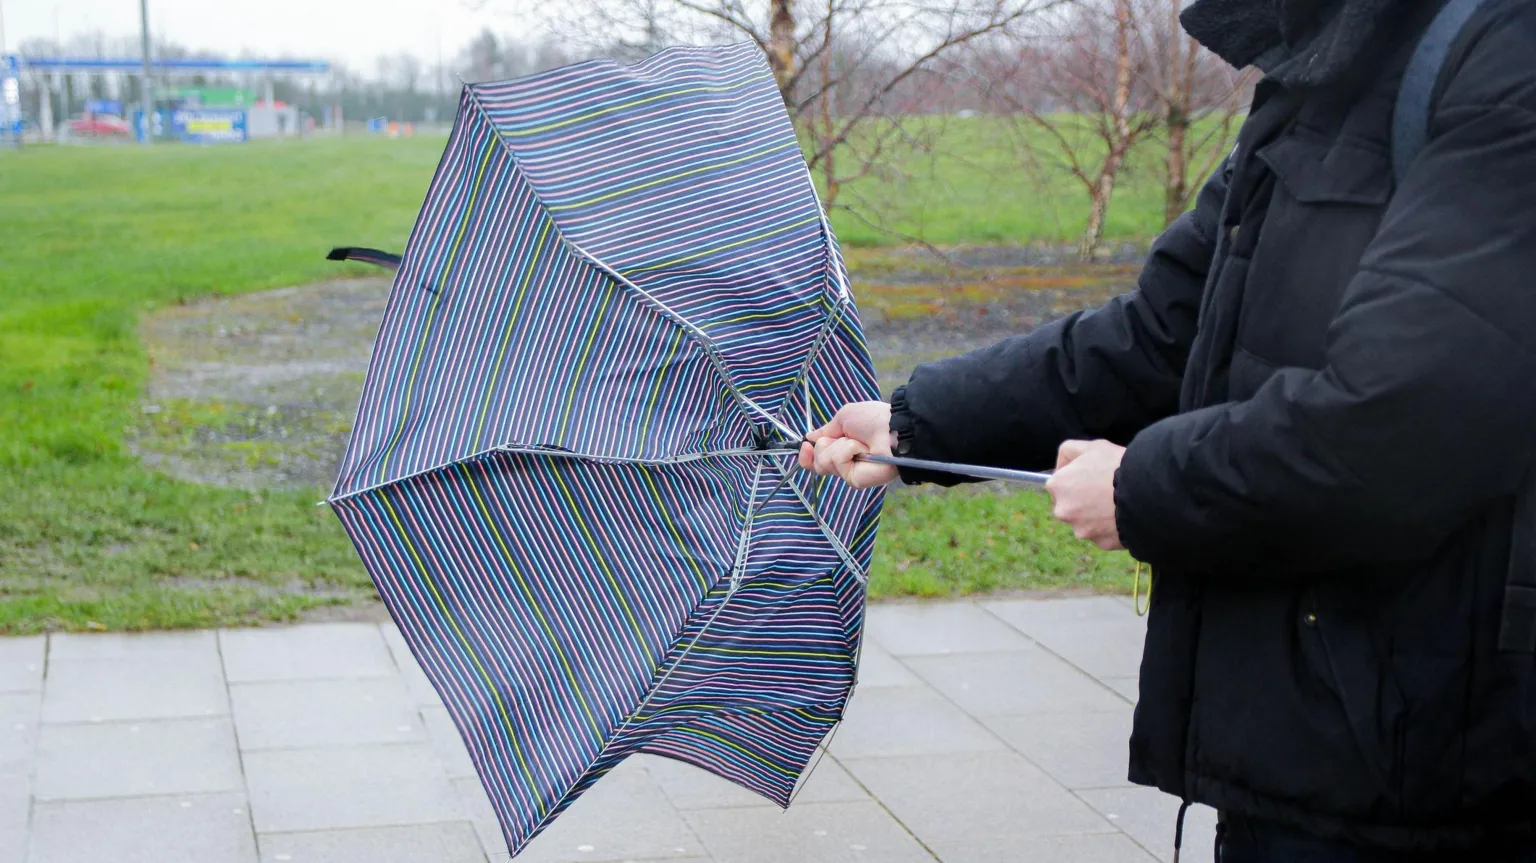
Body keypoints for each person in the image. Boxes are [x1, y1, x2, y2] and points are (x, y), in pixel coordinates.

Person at [798, 0, 1536, 859]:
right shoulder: (1331, 66)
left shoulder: (1501, 60)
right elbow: (1162, 332)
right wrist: (916, 424)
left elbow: (1401, 422)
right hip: (1306, 749)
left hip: (1434, 767)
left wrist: (1141, 488)